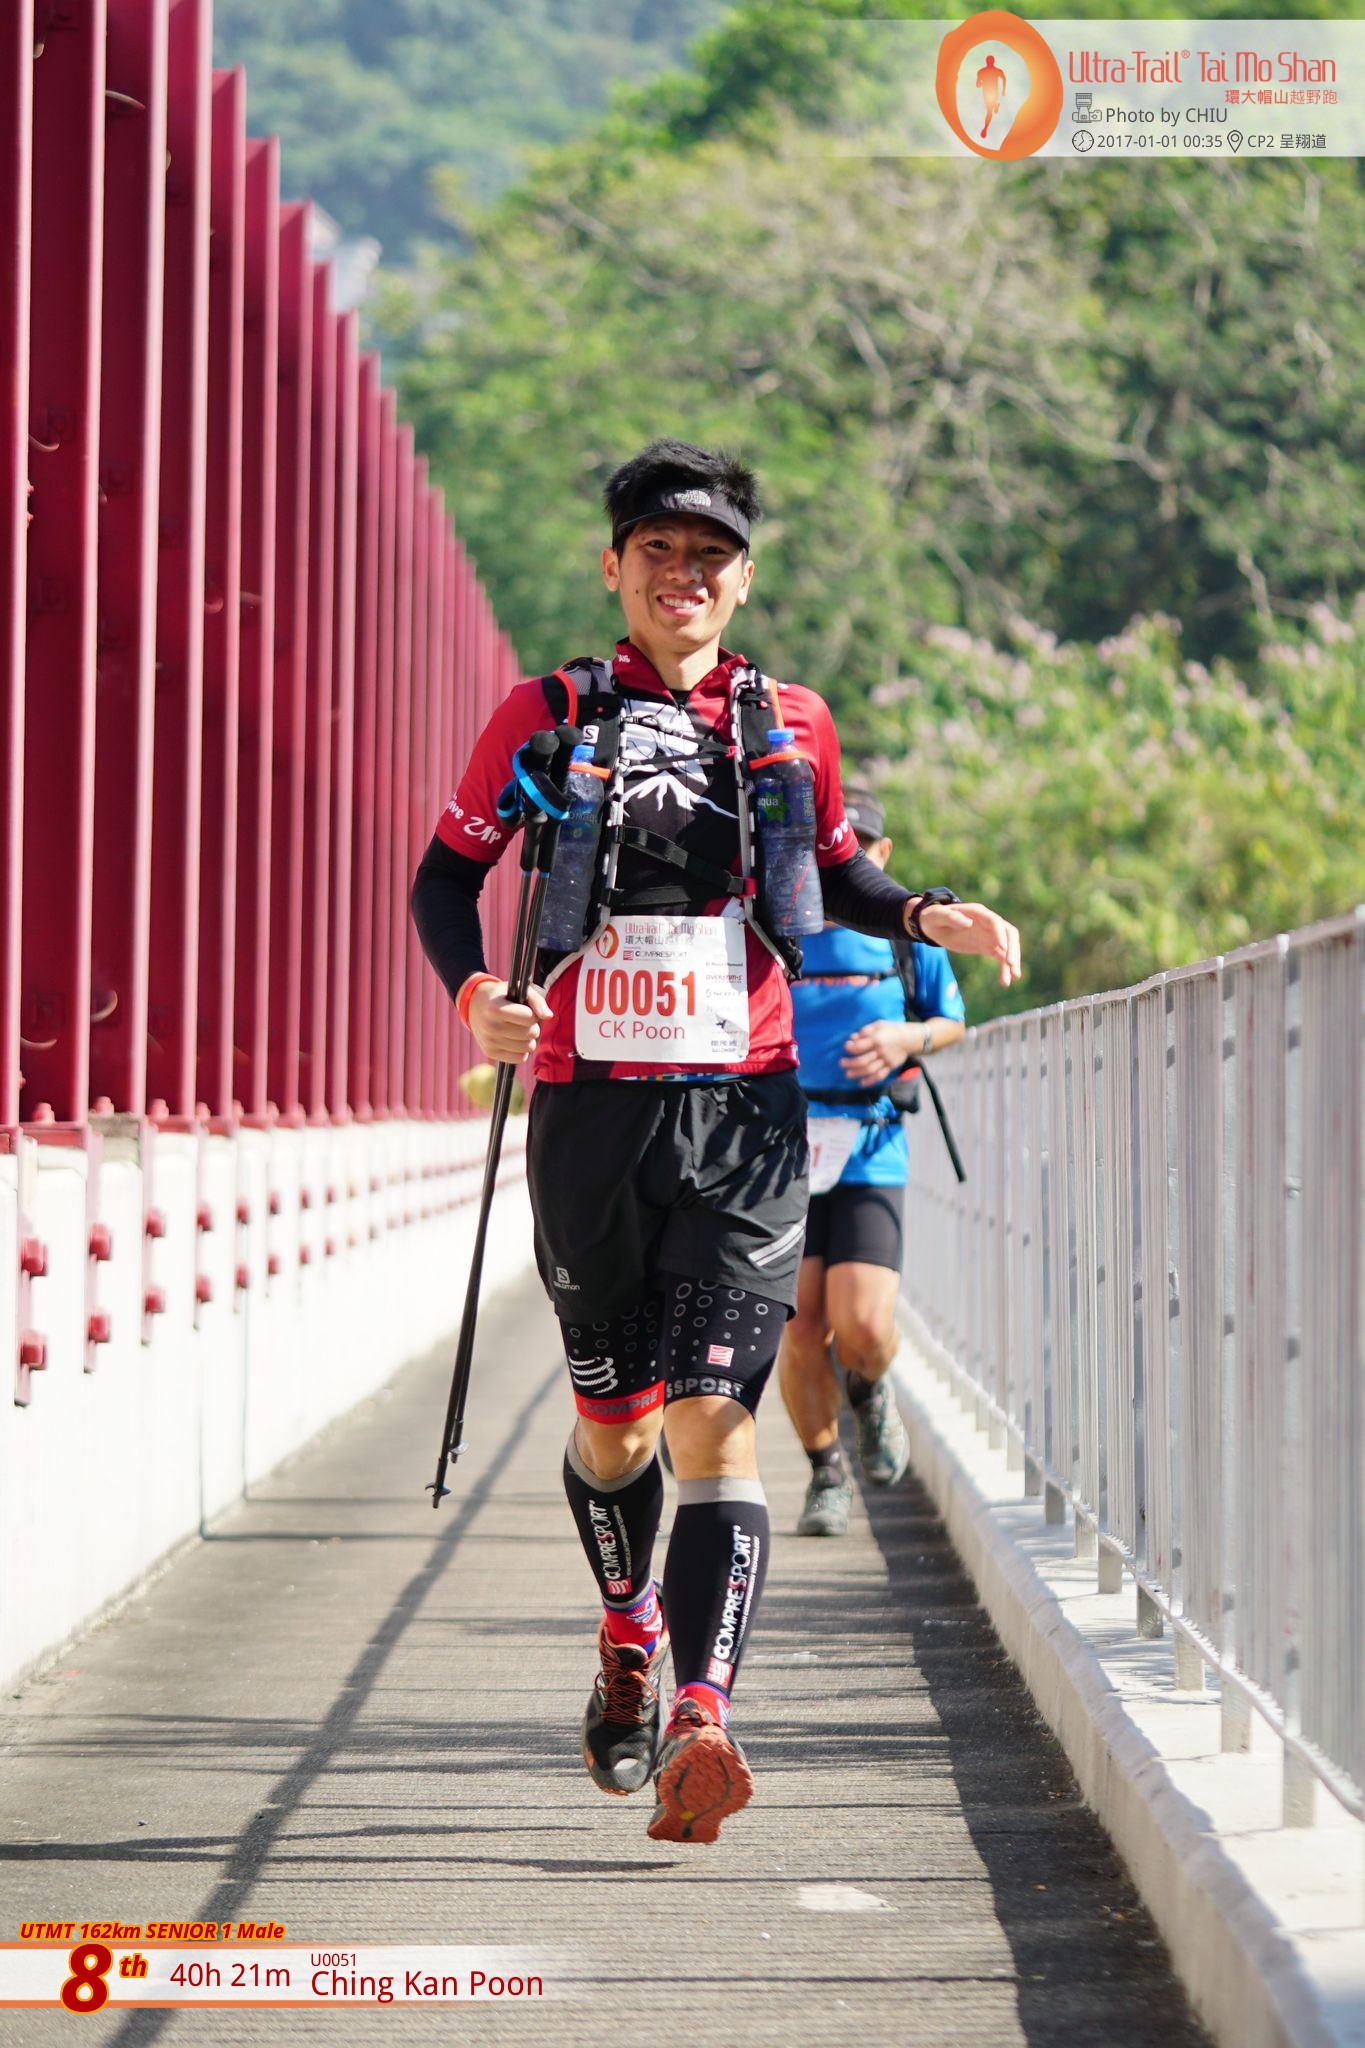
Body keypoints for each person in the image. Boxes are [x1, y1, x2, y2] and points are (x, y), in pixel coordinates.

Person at [411, 438, 1021, 1846]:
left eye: (710, 556)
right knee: (617, 1426)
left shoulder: (789, 719)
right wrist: (477, 993)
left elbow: (837, 867)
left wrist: (924, 911)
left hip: (744, 1113)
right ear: (613, 567)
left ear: (743, 579)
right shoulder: (545, 716)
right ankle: (629, 1630)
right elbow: (447, 876)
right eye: (657, 552)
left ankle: (704, 1714)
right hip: (589, 1111)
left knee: (712, 1418)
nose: (682, 576)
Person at [779, 789, 966, 1539]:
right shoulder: (776, 926)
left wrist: (903, 1039)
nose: (839, 857)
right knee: (801, 1326)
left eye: (855, 846)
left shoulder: (906, 936)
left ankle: (867, 1389)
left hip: (870, 1145)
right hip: (782, 1153)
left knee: (861, 1325)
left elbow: (950, 1022)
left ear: (880, 856)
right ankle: (826, 1474)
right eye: (827, 843)